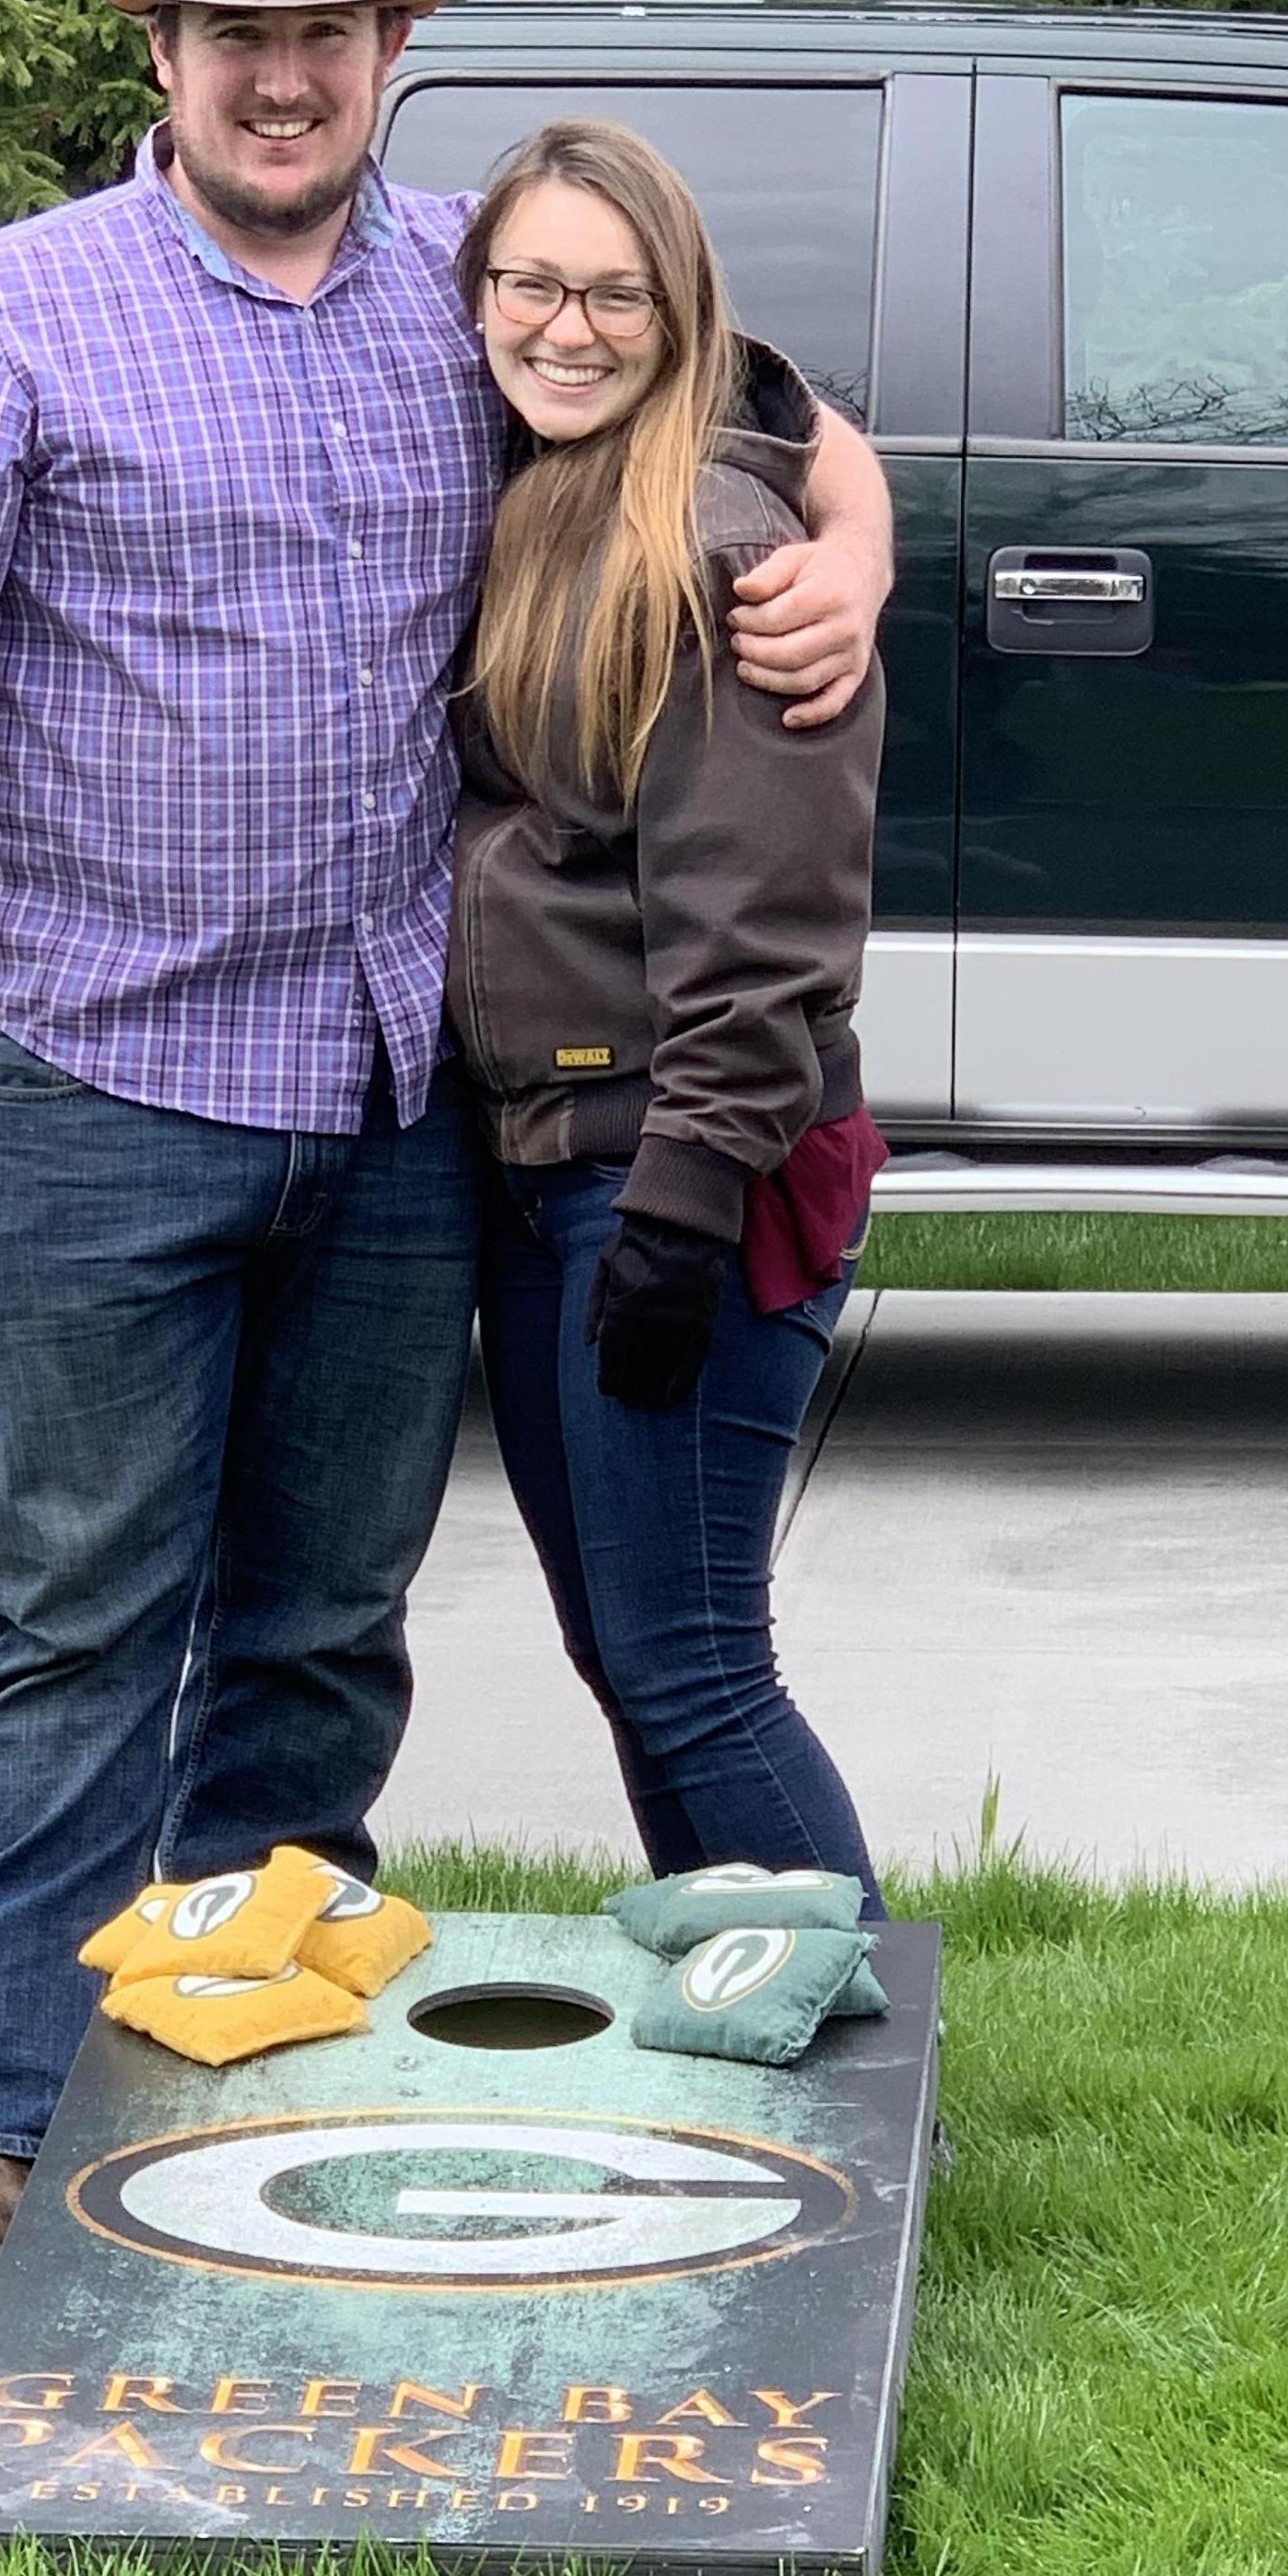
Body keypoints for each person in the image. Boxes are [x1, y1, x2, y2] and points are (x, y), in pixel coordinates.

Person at [0, 0, 895, 2257]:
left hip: (398, 1115)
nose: (281, 81)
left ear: (392, 53)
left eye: (325, 38)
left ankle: (240, 2061)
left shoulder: (469, 287)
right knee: (82, 1625)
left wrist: (860, 543)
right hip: (99, 1090)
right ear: (160, 51)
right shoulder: (0, 319)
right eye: (236, 39)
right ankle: (1, 2123)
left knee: (316, 1634)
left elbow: (769, 406)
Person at [448, 120, 889, 1913]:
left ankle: (861, 2048)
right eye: (531, 284)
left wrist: (683, 1208)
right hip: (553, 1163)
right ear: (478, 292)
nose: (566, 328)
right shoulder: (543, 478)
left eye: (614, 295)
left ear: (679, 310)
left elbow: (765, 924)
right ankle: (749, 2000)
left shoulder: (719, 551)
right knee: (637, 1657)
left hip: (678, 1176)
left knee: (696, 1668)